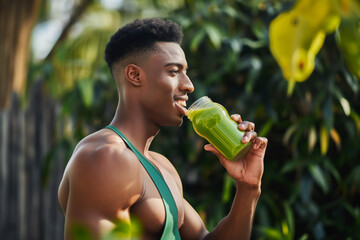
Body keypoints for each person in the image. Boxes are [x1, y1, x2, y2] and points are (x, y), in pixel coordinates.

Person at [58, 18, 268, 240]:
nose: (189, 85)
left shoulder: (161, 166)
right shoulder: (106, 158)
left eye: (185, 72)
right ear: (135, 75)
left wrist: (248, 188)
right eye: (174, 71)